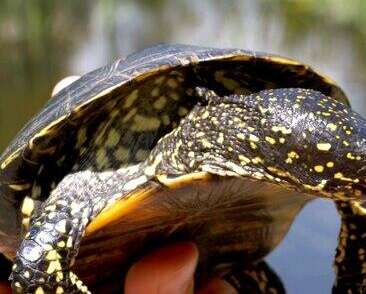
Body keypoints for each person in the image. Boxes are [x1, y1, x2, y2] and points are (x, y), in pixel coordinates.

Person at [0, 77, 236, 294]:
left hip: (217, 258)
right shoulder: (80, 178)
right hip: (69, 211)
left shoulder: (231, 125)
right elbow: (35, 264)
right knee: (37, 262)